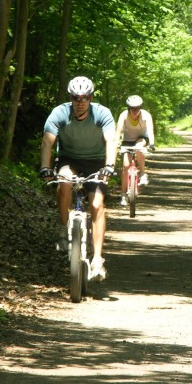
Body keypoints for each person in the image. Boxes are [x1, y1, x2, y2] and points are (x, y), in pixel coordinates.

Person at [39, 76, 117, 281]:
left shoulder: (102, 113)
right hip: (68, 158)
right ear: (70, 98)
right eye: (76, 98)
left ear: (91, 98)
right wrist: (45, 167)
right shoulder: (60, 113)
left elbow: (111, 140)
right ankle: (64, 229)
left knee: (97, 203)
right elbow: (47, 142)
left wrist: (109, 165)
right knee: (63, 182)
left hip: (96, 161)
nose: (80, 102)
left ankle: (98, 260)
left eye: (85, 97)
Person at [115, 95, 156, 206]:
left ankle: (142, 173)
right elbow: (118, 132)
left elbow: (151, 131)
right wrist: (115, 143)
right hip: (127, 141)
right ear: (128, 108)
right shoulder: (123, 115)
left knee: (139, 147)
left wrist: (152, 143)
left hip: (141, 138)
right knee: (125, 166)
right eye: (132, 109)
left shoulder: (145, 115)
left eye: (137, 108)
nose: (135, 111)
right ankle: (123, 195)